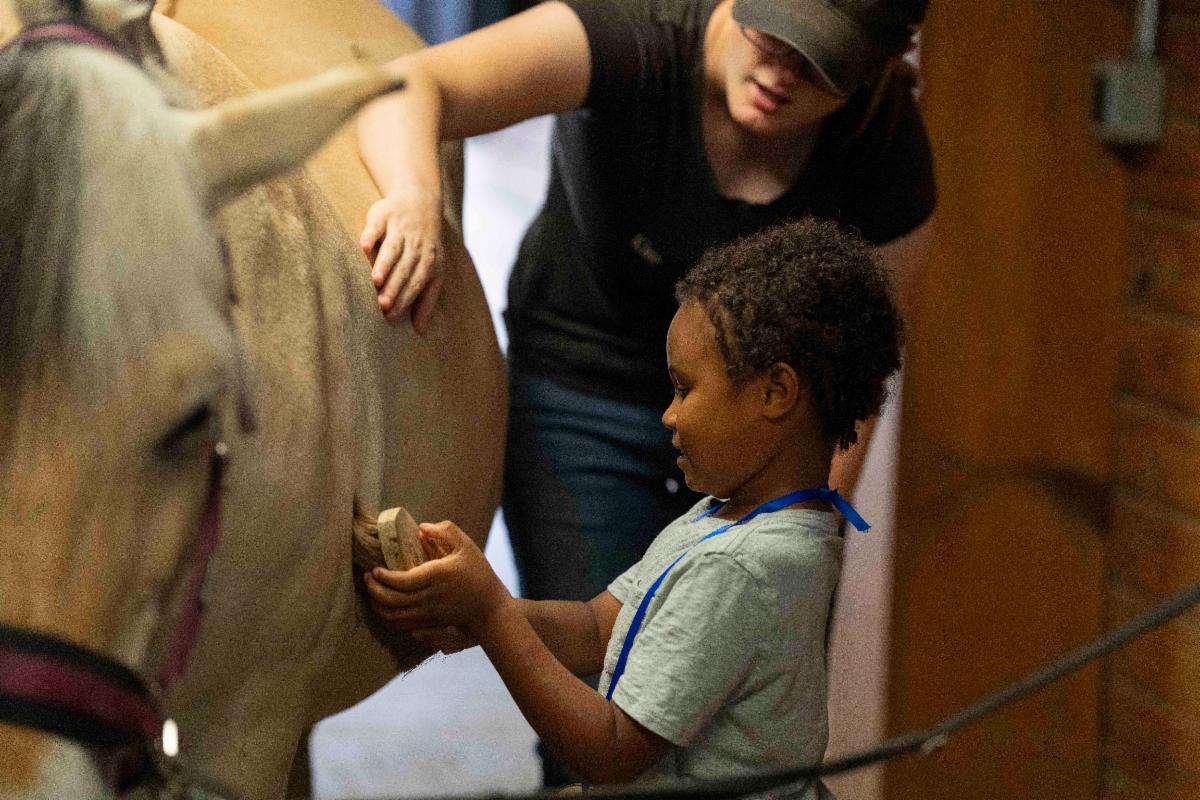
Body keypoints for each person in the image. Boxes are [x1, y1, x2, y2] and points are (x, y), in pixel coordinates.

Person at [357, 0, 933, 781]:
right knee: (597, 691)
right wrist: (415, 196)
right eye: (774, 37)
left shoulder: (887, 144)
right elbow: (403, 84)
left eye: (820, 65)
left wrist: (805, 515)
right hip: (584, 379)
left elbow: (858, 378)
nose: (780, 72)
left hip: (759, 438)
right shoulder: (639, 31)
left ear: (877, 66)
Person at [364, 217, 904, 794]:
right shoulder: (732, 519)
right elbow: (599, 627)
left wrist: (494, 616)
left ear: (775, 393)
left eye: (684, 389)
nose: (668, 415)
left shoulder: (740, 568)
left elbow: (614, 750)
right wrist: (480, 614)